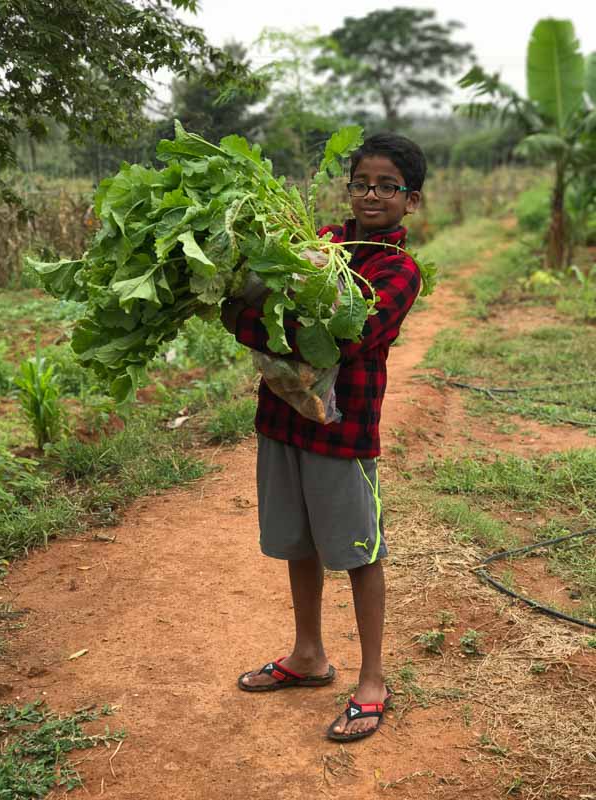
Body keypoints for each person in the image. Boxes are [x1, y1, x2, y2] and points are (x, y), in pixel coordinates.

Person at [221, 132, 426, 741]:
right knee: (298, 540)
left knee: (359, 552)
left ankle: (372, 680)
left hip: (345, 430)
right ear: (349, 187)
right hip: (283, 417)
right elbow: (244, 305)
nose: (372, 195)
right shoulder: (321, 244)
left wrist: (249, 323)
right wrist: (249, 315)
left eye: (388, 187)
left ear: (410, 200)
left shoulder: (399, 270)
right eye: (362, 182)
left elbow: (340, 337)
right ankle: (308, 654)